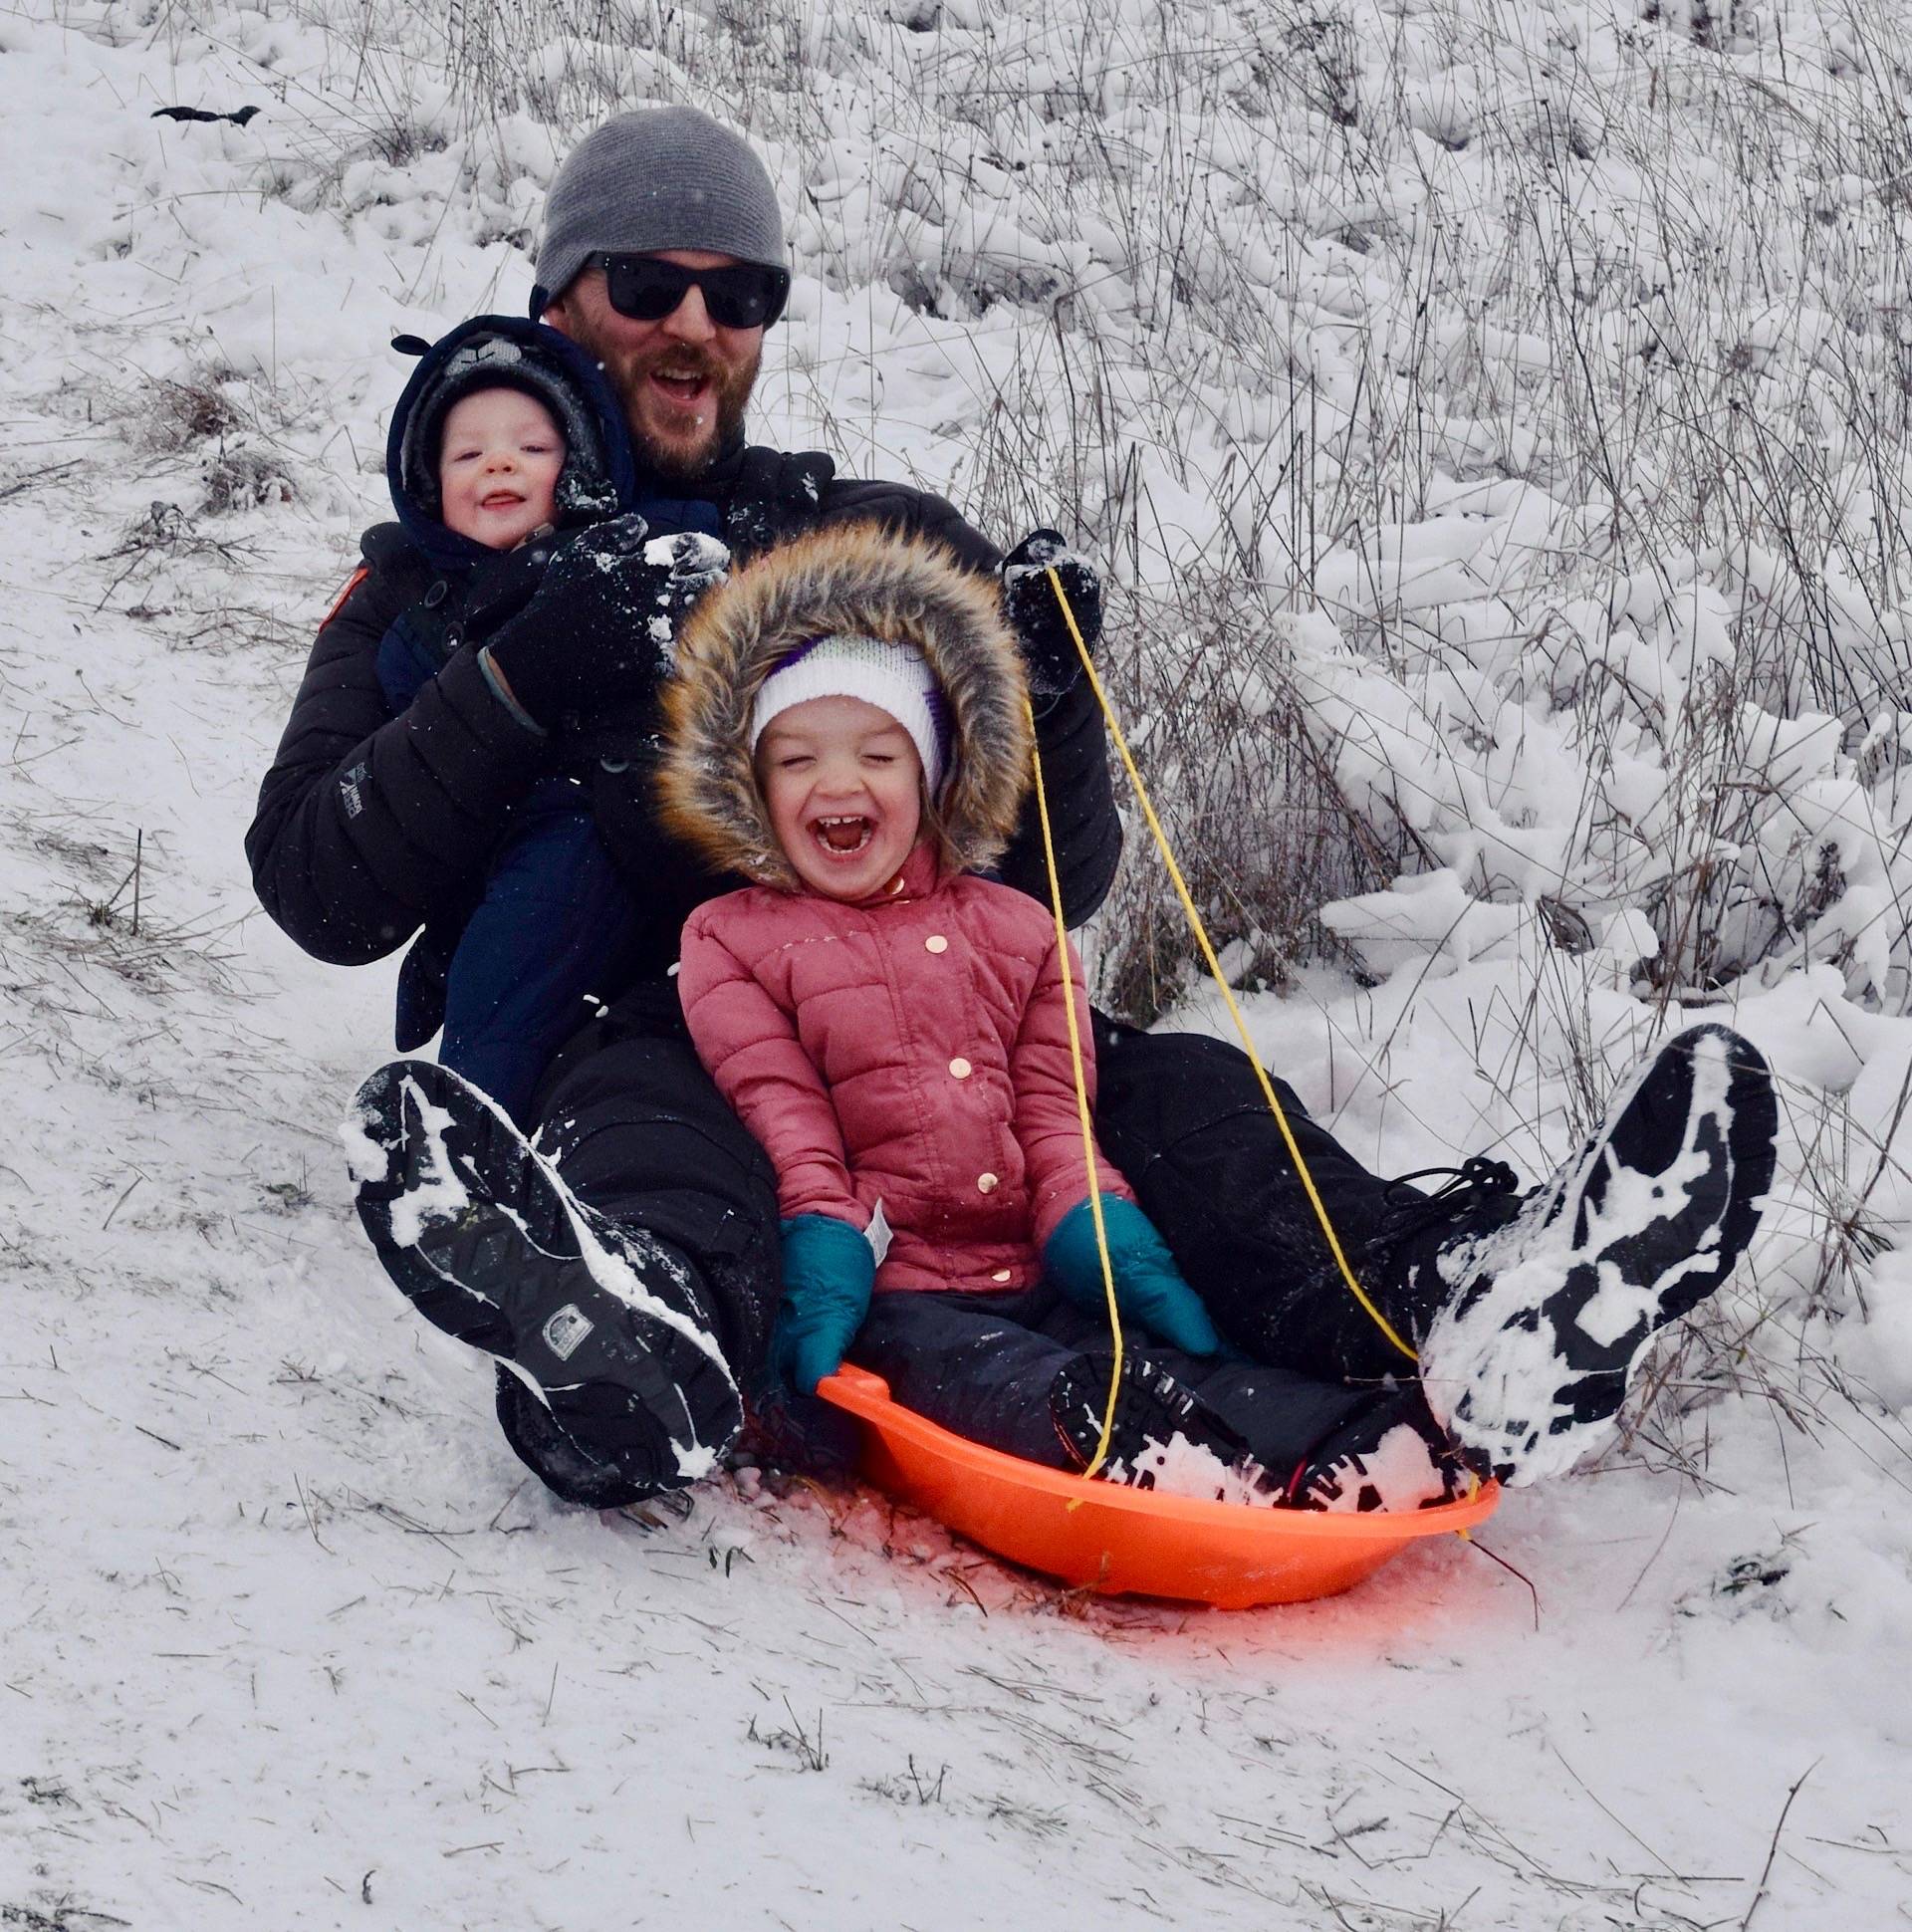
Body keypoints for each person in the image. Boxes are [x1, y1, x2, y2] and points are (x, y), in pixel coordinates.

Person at [257, 106, 1780, 1514]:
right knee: (664, 1138)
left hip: (928, 1015)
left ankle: (1462, 1301)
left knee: (1174, 1095)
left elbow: (1057, 887)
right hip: (632, 1032)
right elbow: (319, 891)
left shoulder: (862, 539)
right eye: (649, 284)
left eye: (741, 298)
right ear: (561, 301)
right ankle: (638, 1348)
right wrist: (522, 670)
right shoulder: (441, 570)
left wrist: (1052, 703)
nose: (693, 331)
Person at [362, 318, 723, 1125]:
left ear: (580, 467)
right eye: (468, 454)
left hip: (662, 820)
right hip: (535, 841)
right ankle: (476, 1133)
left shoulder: (628, 543)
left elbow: (710, 560)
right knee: (509, 971)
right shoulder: (427, 620)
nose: (499, 463)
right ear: (429, 484)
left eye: (531, 448)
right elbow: (411, 731)